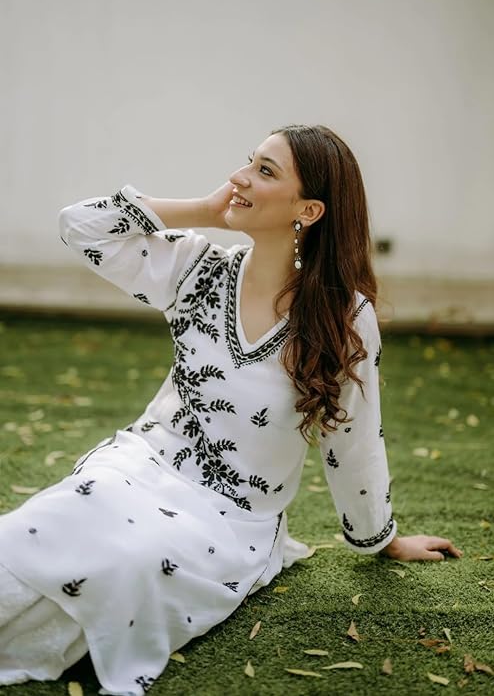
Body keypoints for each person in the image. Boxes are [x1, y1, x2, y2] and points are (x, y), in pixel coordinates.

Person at [0, 124, 462, 695]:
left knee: (128, 562)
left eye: (265, 171)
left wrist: (381, 538)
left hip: (230, 516)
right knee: (41, 528)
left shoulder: (344, 317)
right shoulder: (196, 269)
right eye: (249, 161)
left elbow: (354, 441)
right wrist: (203, 211)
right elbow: (80, 226)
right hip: (137, 467)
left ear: (309, 210)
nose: (239, 177)